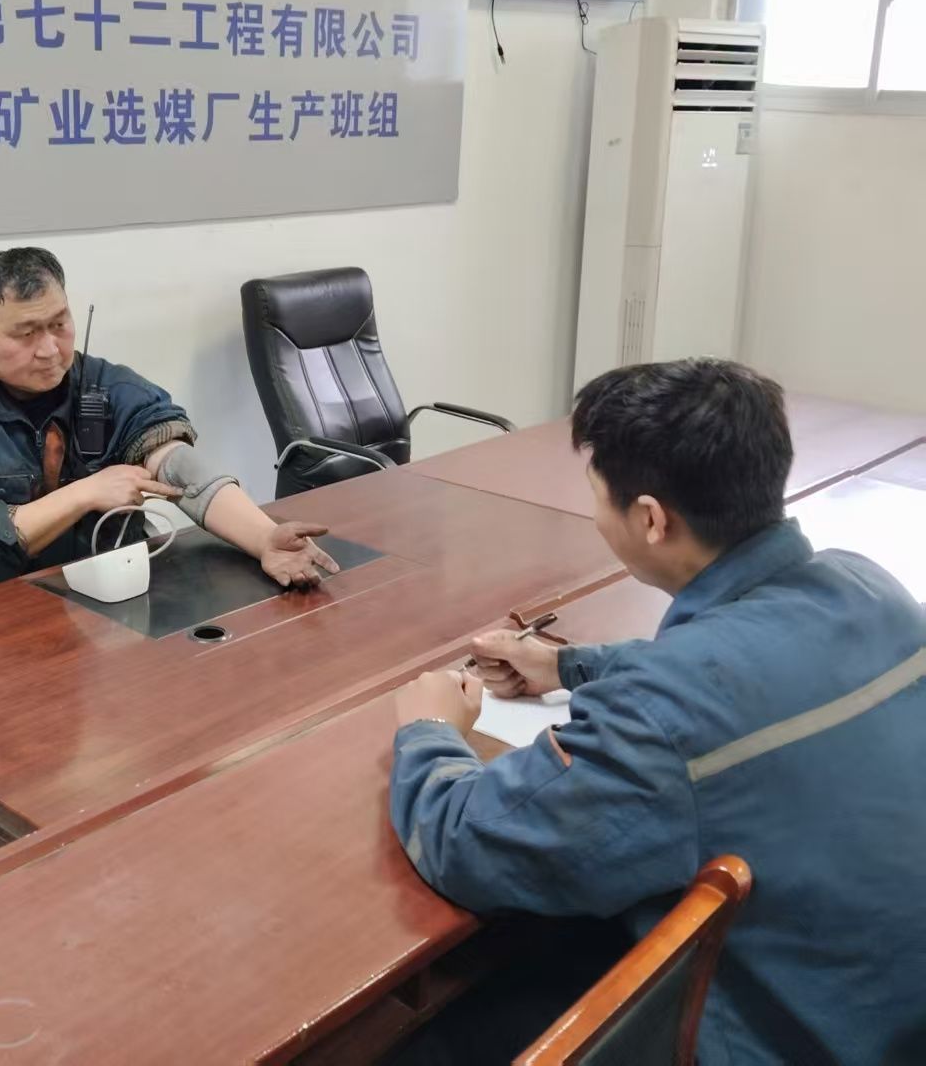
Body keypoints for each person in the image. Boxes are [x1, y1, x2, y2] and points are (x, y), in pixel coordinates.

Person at [386, 359, 926, 1066]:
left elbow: (466, 846)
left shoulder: (661, 715)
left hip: (787, 1039)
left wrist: (429, 732)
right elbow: (747, 669)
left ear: (650, 519)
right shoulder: (869, 586)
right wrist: (569, 667)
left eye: (596, 497)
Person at [0, 247, 338, 593]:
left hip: (105, 596)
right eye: (26, 333)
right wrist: (85, 493)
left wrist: (263, 537)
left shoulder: (107, 386)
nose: (50, 350)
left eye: (59, 324)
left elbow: (173, 462)